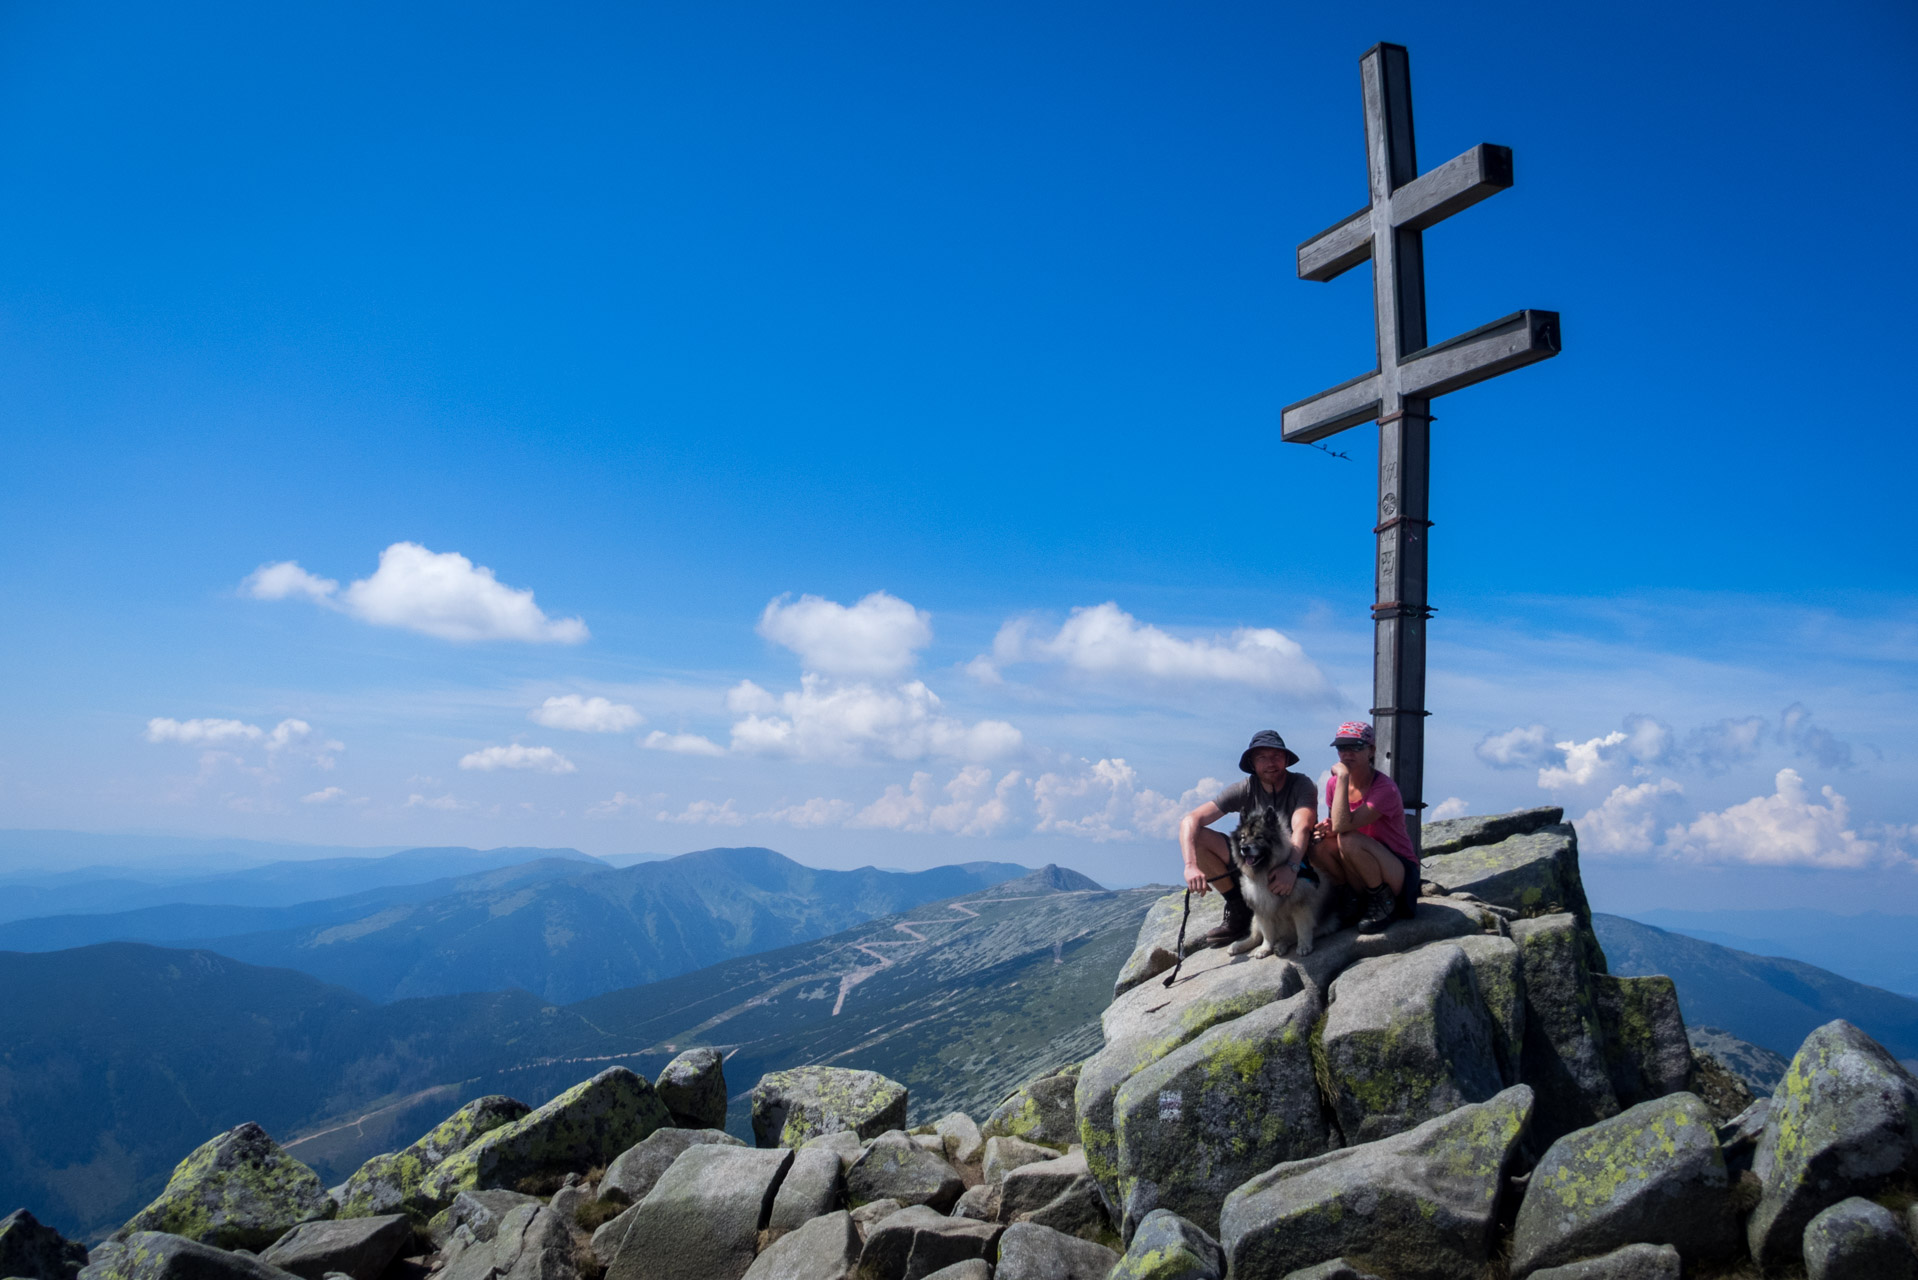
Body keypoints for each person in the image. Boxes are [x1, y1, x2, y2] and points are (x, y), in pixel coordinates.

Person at [1178, 730, 1318, 948]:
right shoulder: (1245, 789)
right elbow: (1190, 820)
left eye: (1276, 756)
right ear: (1252, 763)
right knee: (1198, 839)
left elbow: (1303, 826)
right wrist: (1190, 865)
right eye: (1262, 757)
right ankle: (1238, 908)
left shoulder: (1301, 784)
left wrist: (1291, 867)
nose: (1270, 763)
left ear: (1286, 759)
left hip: (1292, 860)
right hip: (1251, 863)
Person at [1310, 721, 1419, 932]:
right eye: (1342, 748)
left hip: (1397, 871)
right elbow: (1340, 824)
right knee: (1317, 845)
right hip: (1362, 863)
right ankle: (1350, 898)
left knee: (1348, 839)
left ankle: (1384, 903)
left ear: (1371, 750)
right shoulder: (1333, 785)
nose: (1347, 754)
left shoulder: (1385, 788)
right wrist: (1327, 828)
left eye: (1356, 747)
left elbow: (1345, 825)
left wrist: (1342, 777)